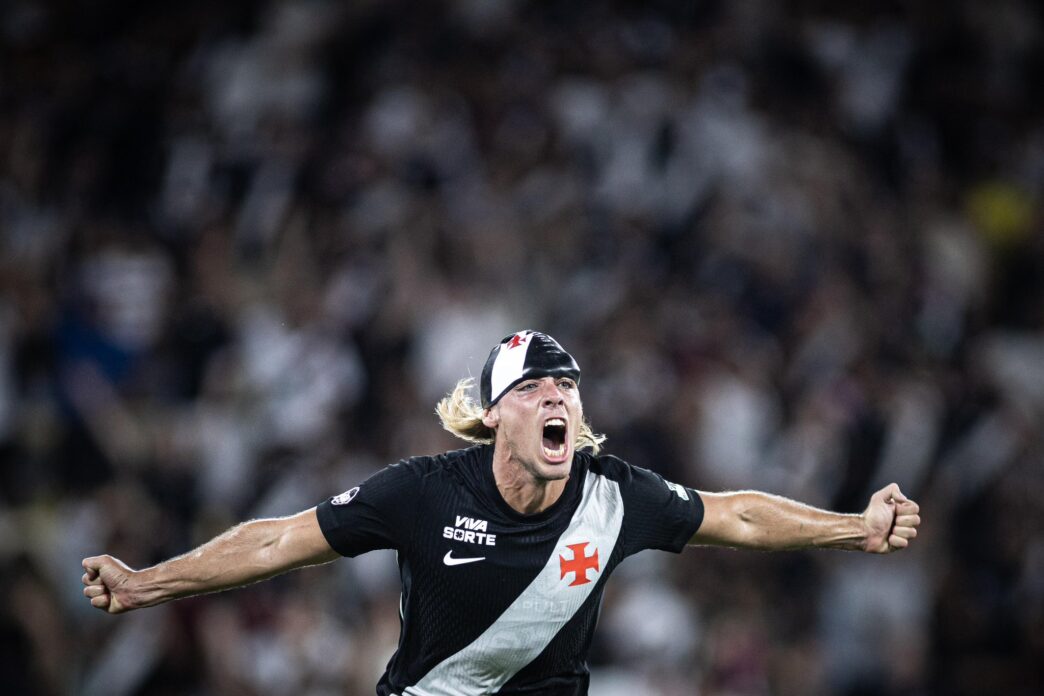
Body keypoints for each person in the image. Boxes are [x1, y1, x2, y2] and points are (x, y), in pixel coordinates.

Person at [82, 330, 921, 695]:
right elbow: (276, 540)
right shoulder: (421, 491)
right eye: (533, 386)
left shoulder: (613, 494)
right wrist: (150, 583)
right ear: (493, 415)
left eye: (567, 385)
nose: (557, 395)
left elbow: (733, 516)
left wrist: (853, 528)